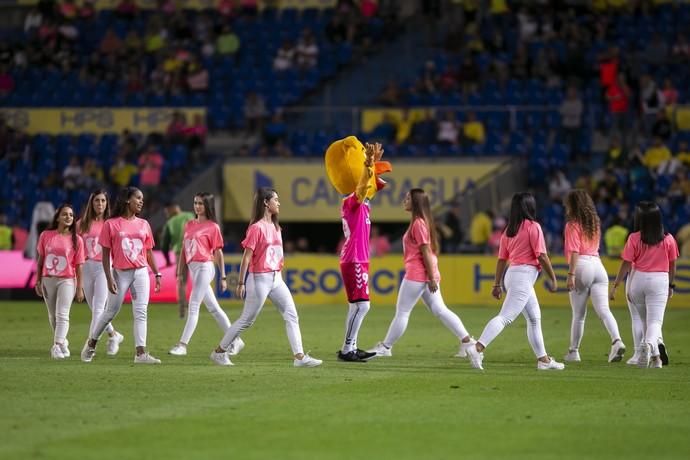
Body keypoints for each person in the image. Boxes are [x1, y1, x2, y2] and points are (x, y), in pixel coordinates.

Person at [209, 188, 322, 368]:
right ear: (265, 203)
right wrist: (241, 282)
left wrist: (279, 275)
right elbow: (246, 256)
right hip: (259, 279)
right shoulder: (256, 228)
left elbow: (276, 255)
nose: (278, 203)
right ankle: (219, 352)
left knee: (292, 315)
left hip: (276, 278)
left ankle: (299, 357)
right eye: (275, 199)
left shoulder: (276, 227)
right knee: (247, 320)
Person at [367, 189, 476, 359]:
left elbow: (425, 251)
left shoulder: (418, 223)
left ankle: (386, 347)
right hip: (425, 273)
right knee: (440, 310)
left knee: (403, 312)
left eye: (408, 197)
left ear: (416, 203)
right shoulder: (421, 222)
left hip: (418, 274)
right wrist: (431, 276)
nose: (405, 200)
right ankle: (467, 341)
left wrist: (431, 277)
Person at [468, 192, 564, 371]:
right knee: (505, 317)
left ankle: (543, 360)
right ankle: (477, 347)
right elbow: (542, 256)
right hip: (524, 276)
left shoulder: (508, 231)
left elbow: (501, 260)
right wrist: (553, 277)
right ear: (530, 207)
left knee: (534, 318)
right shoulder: (533, 227)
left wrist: (497, 284)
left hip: (512, 274)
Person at [80, 187, 162, 364]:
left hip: (141, 272)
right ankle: (92, 343)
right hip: (120, 273)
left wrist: (157, 273)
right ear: (127, 200)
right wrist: (109, 278)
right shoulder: (111, 224)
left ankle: (140, 354)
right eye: (138, 198)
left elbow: (148, 252)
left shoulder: (144, 224)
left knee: (141, 312)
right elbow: (105, 255)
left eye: (142, 199)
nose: (141, 201)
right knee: (110, 311)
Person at [169, 193, 244, 357]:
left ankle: (182, 345)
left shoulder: (213, 227)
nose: (197, 206)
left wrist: (223, 277)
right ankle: (236, 340)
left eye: (201, 204)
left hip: (205, 266)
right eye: (195, 203)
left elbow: (219, 253)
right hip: (193, 269)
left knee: (193, 304)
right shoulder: (188, 224)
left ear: (207, 206)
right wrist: (180, 271)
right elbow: (184, 249)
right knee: (214, 309)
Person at [610, 202, 678, 368]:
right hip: (659, 281)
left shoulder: (634, 238)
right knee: (655, 322)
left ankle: (656, 359)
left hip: (637, 280)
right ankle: (647, 345)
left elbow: (626, 263)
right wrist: (671, 285)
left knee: (644, 320)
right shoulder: (668, 239)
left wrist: (616, 284)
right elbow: (672, 264)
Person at [562, 190, 625, 363]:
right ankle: (617, 340)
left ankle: (573, 352)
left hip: (582, 266)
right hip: (598, 266)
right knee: (604, 310)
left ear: (572, 205)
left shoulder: (572, 225)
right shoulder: (595, 222)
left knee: (579, 315)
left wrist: (571, 274)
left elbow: (575, 251)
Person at [336, 143, 383, 362]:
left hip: (360, 258)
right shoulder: (350, 202)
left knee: (356, 306)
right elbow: (364, 187)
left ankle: (351, 347)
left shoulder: (362, 204)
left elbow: (373, 186)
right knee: (362, 305)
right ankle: (347, 349)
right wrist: (368, 164)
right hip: (354, 258)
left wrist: (374, 165)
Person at [77, 189, 124, 356]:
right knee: (96, 310)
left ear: (107, 204)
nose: (100, 204)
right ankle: (113, 335)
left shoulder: (111, 224)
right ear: (92, 203)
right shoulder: (81, 224)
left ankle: (90, 345)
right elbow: (76, 249)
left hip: (104, 267)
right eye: (97, 201)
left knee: (98, 309)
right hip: (87, 266)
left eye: (103, 201)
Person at [35, 204, 85, 359]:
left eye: (71, 215)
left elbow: (79, 266)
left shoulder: (77, 240)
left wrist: (79, 288)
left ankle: (56, 346)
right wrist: (38, 281)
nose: (68, 217)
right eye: (65, 214)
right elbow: (40, 260)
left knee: (62, 314)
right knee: (53, 316)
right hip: (48, 279)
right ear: (57, 217)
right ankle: (63, 343)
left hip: (67, 280)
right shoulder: (45, 236)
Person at [161, 202, 194, 318]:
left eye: (167, 211)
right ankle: (194, 306)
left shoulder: (170, 223)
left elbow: (164, 244)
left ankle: (182, 309)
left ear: (172, 209)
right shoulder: (190, 215)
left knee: (181, 280)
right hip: (195, 251)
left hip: (180, 253)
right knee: (199, 278)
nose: (166, 214)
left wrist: (167, 260)